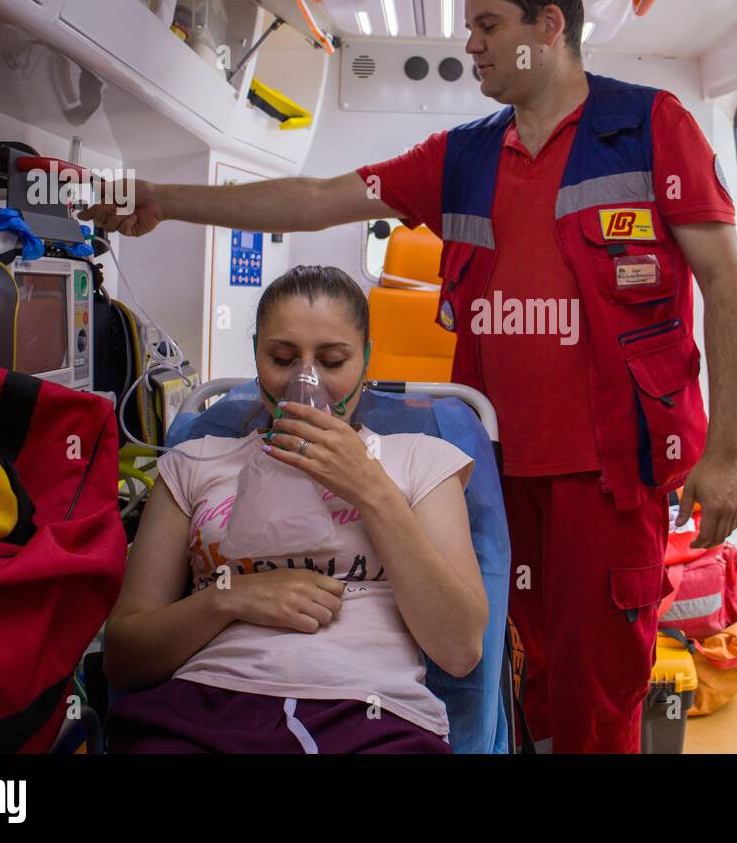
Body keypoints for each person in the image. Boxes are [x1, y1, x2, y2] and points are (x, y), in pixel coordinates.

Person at [83, 0, 737, 753]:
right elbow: (315, 197)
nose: (470, 44)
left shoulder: (651, 129)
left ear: (550, 27)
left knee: (599, 688)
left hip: (604, 480)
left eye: (487, 25)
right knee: (522, 675)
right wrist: (167, 200)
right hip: (496, 473)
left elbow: (726, 287)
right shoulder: (462, 157)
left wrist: (724, 455)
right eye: (468, 27)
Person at [103, 265, 487, 753]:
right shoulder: (194, 464)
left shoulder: (419, 460)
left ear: (364, 363)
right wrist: (229, 597)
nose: (305, 381)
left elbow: (460, 650)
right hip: (206, 708)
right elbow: (124, 657)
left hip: (372, 716)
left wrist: (370, 488)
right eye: (283, 358)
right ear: (257, 359)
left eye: (332, 361)